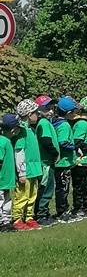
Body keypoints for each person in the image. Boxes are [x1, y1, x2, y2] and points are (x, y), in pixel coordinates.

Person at [12, 99, 43, 230]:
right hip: (25, 170)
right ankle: (17, 218)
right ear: (30, 115)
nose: (38, 114)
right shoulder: (21, 132)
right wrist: (21, 172)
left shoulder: (31, 130)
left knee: (32, 195)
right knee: (22, 195)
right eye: (36, 112)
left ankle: (29, 217)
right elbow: (19, 153)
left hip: (34, 169)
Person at [33, 95, 60, 225]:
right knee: (46, 189)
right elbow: (46, 141)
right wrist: (55, 153)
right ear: (39, 110)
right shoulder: (43, 123)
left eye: (52, 109)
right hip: (46, 163)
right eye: (47, 109)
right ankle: (41, 214)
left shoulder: (46, 122)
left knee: (47, 188)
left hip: (47, 162)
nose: (51, 112)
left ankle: (43, 212)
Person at [52, 97, 79, 221]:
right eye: (74, 111)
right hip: (63, 162)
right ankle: (62, 212)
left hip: (60, 162)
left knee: (61, 187)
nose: (75, 114)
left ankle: (62, 210)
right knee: (63, 188)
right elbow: (62, 142)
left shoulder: (55, 121)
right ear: (69, 113)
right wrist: (75, 147)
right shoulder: (64, 125)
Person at [0, 113, 19, 232]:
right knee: (1, 201)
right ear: (13, 129)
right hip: (1, 180)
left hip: (6, 180)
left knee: (7, 201)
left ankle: (6, 221)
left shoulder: (7, 141)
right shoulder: (2, 142)